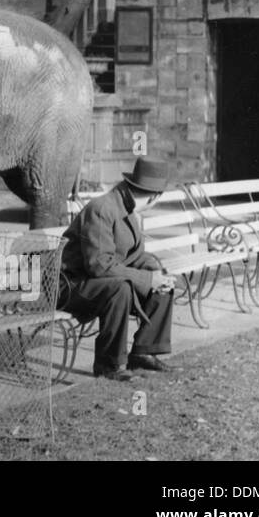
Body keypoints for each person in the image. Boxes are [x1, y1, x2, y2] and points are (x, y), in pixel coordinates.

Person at [59, 156, 178, 381]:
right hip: (69, 284)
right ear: (155, 197)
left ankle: (144, 352)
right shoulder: (103, 209)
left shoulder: (127, 207)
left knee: (162, 286)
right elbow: (98, 264)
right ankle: (109, 365)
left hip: (96, 281)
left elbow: (134, 255)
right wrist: (146, 279)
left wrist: (157, 274)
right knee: (120, 288)